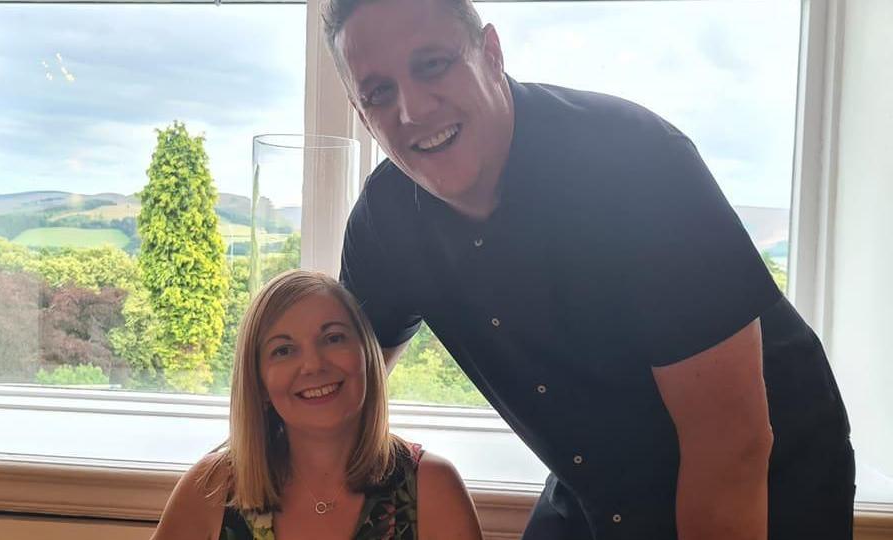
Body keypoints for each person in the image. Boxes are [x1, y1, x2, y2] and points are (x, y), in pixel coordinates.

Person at [323, 0, 855, 538]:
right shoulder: (384, 219)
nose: (412, 109)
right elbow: (337, 392)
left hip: (764, 478)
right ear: (360, 110)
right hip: (591, 480)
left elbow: (731, 447)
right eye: (378, 93)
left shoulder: (634, 161)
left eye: (432, 64)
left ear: (490, 53)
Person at [152, 270, 483, 540]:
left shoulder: (433, 487)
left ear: (367, 357)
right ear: (259, 383)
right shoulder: (212, 488)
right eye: (283, 350)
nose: (313, 365)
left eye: (334, 338)